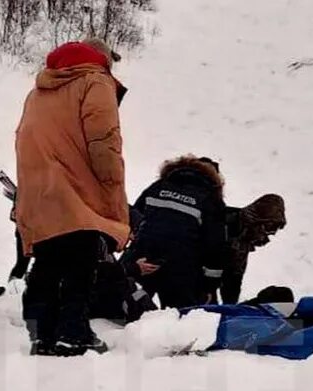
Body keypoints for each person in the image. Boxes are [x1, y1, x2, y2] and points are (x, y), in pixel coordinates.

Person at [14, 38, 130, 356]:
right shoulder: (95, 81)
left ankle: (42, 334)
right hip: (77, 189)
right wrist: (111, 186)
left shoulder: (39, 89)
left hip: (39, 187)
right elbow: (103, 140)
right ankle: (73, 333)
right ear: (102, 59)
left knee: (48, 261)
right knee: (81, 261)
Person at [120, 155, 230, 309]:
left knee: (126, 301)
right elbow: (215, 246)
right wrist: (209, 287)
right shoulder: (211, 199)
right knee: (183, 314)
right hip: (182, 266)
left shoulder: (158, 186)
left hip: (144, 256)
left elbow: (135, 216)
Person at [220, 193, 287, 305]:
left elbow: (234, 277)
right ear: (258, 221)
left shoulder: (244, 239)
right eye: (269, 228)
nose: (268, 235)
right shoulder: (221, 222)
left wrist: (230, 307)